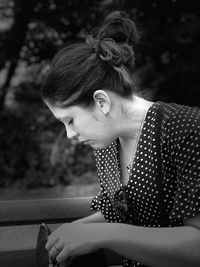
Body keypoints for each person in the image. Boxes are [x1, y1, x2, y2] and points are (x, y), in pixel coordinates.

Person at [41, 10, 200, 267]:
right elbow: (121, 214)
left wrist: (103, 235)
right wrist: (71, 233)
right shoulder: (106, 144)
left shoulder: (185, 128)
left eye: (70, 120)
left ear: (101, 102)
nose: (70, 135)